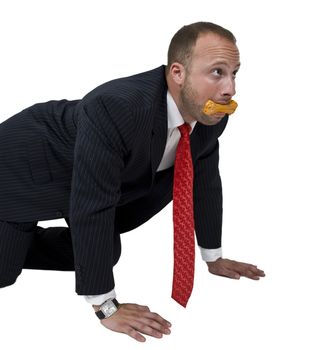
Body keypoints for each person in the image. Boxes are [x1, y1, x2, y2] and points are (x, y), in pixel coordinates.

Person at [0, 21, 265, 342]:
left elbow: (205, 181)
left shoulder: (209, 119)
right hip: (23, 165)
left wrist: (214, 256)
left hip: (87, 179)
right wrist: (105, 306)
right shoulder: (117, 106)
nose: (230, 89)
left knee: (102, 253)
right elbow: (91, 202)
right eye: (217, 72)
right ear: (178, 73)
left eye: (235, 73)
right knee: (4, 272)